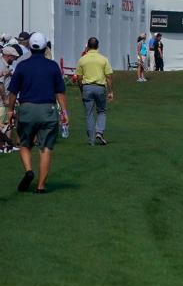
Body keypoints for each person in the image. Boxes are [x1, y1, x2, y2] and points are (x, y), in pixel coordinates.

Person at [4, 33, 68, 193]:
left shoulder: (22, 66)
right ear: (45, 46)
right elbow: (60, 92)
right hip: (48, 109)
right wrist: (64, 112)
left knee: (24, 144)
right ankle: (40, 186)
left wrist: (10, 111)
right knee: (46, 148)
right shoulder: (53, 66)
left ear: (30, 47)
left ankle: (28, 171)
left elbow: (13, 92)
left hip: (27, 109)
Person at [77, 37, 114, 145]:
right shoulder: (103, 59)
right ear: (98, 46)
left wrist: (81, 89)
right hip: (100, 87)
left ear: (87, 46)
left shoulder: (82, 59)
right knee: (101, 111)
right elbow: (109, 76)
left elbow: (79, 77)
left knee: (89, 113)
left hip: (87, 87)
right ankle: (99, 132)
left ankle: (91, 140)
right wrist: (111, 91)